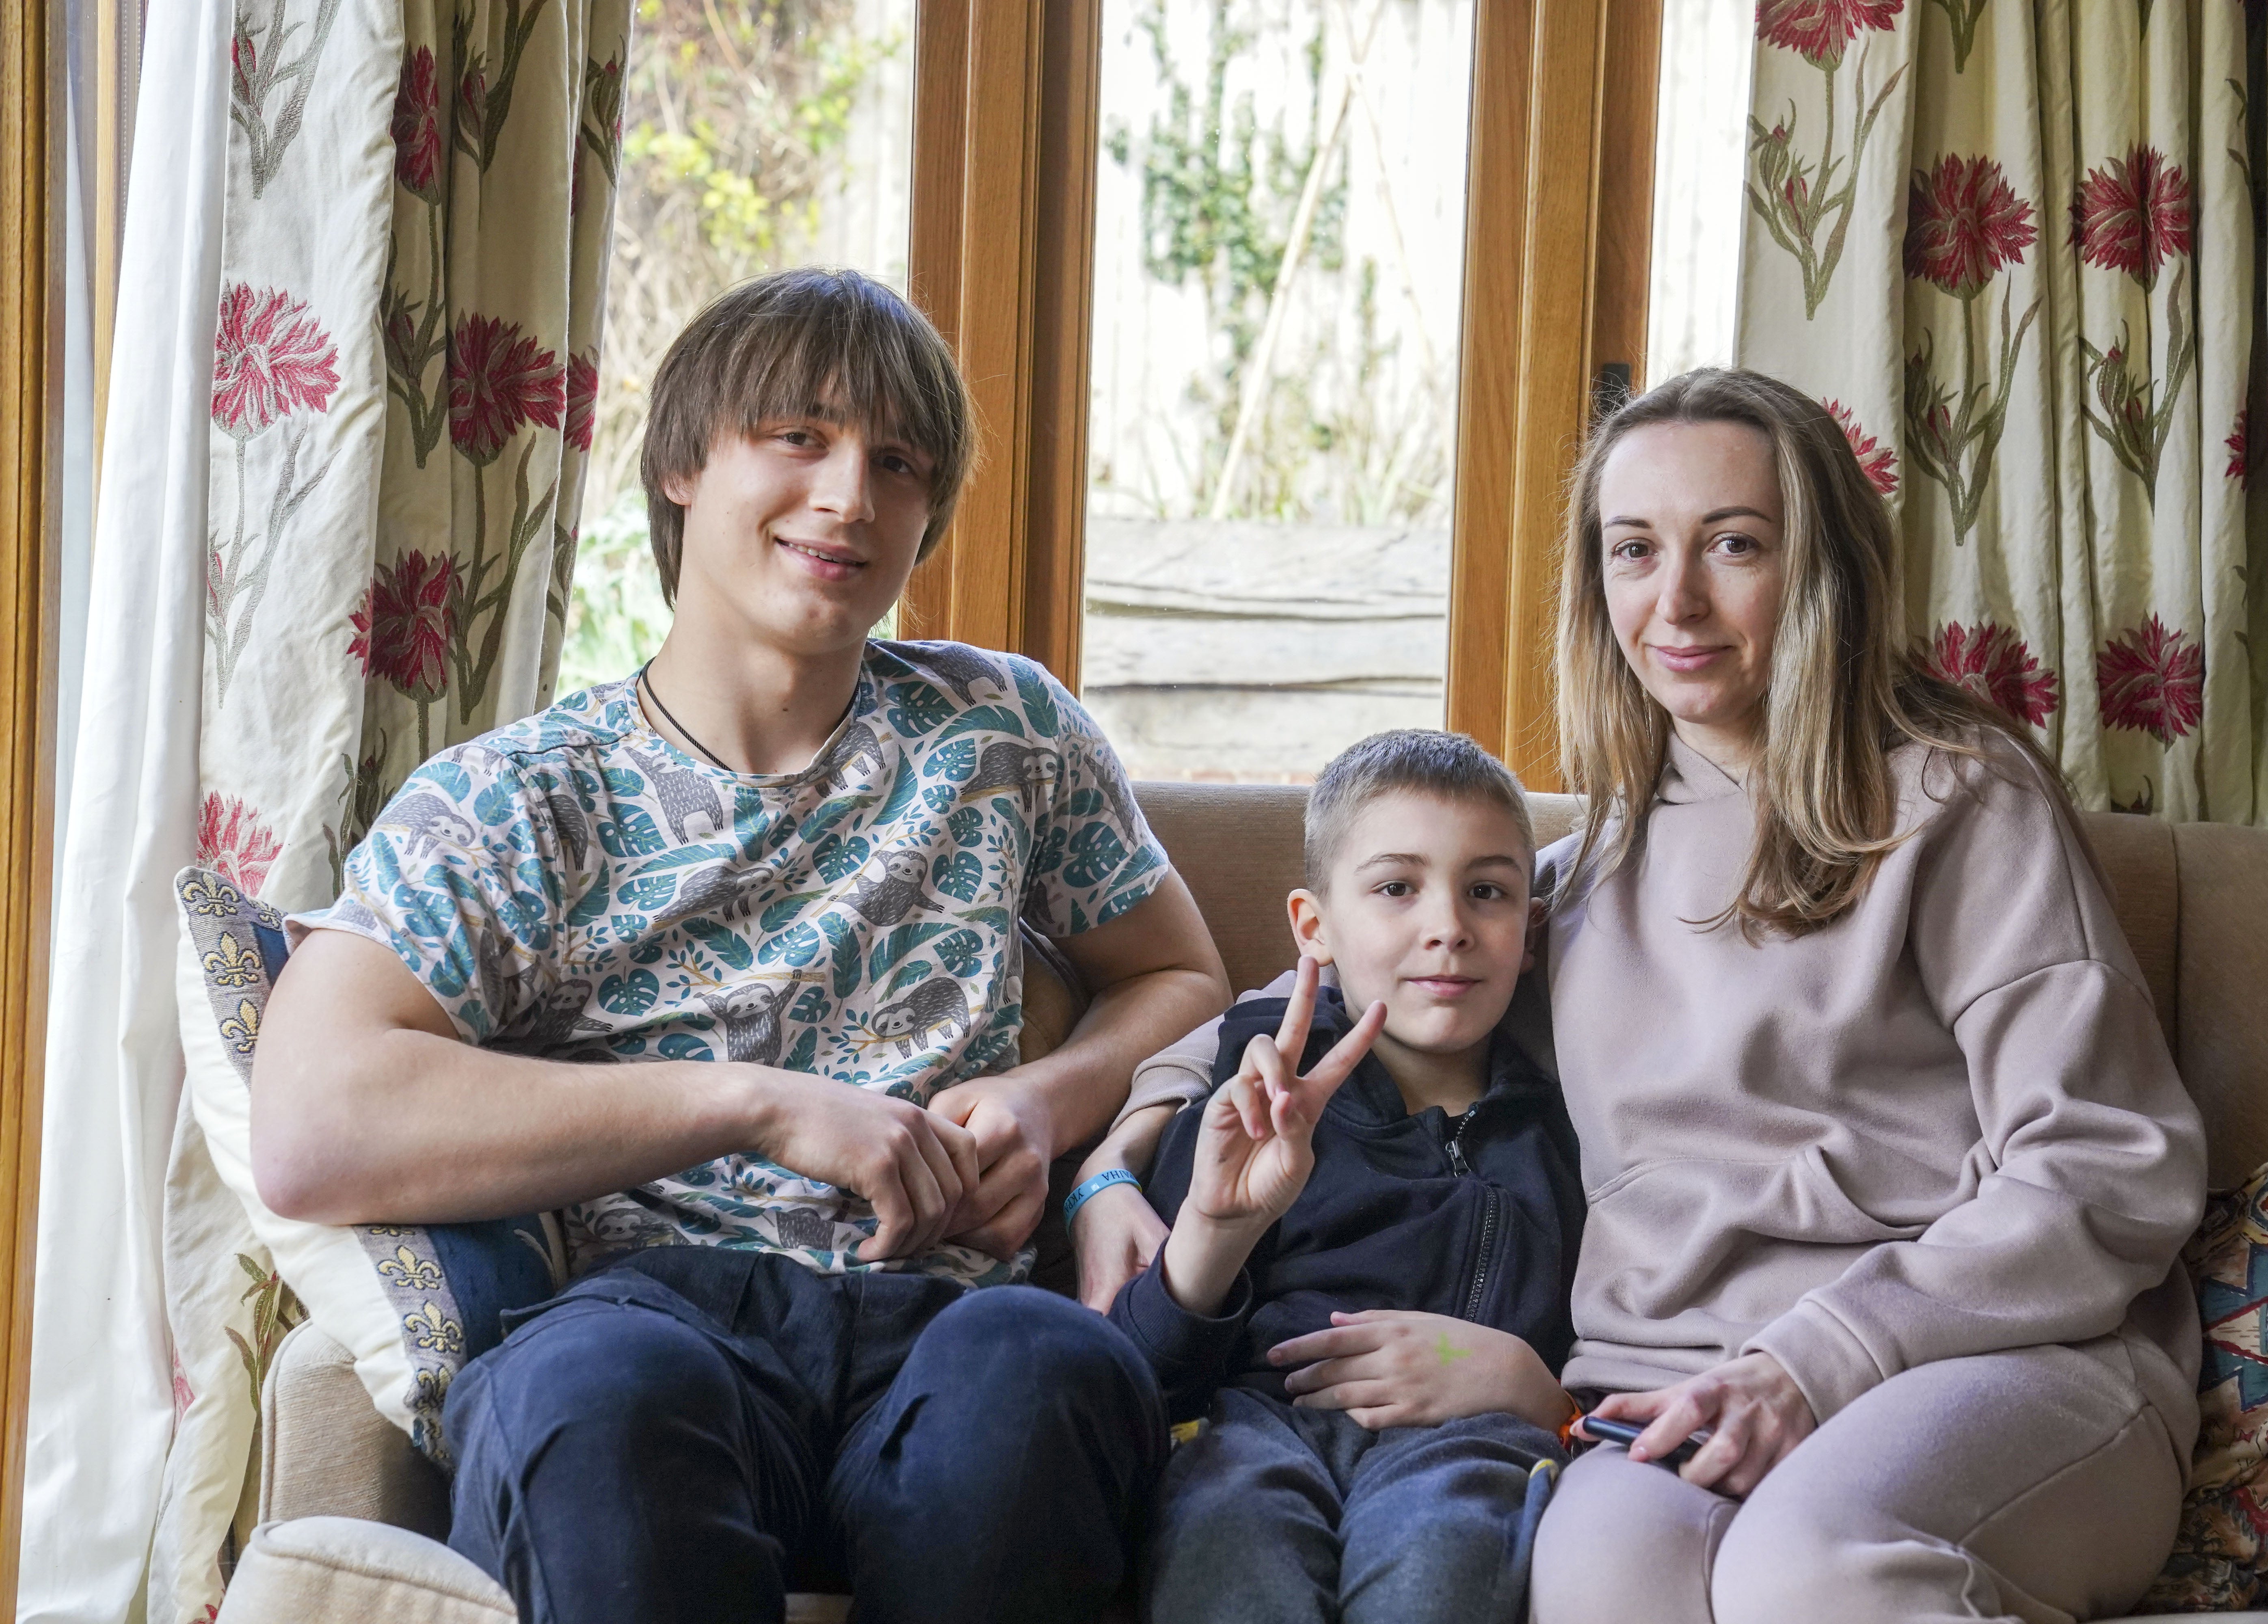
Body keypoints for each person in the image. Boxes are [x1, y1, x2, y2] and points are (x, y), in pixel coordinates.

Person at [250, 268, 1232, 1624]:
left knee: (1050, 1366)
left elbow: (1182, 977)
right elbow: (312, 1125)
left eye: (899, 463)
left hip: (948, 1326)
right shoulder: (523, 797)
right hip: (651, 1318)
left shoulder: (1006, 729)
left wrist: (1045, 1099)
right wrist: (760, 1106)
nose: (850, 497)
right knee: (585, 1396)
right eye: (799, 438)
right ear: (681, 467)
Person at [1525, 368, 2207, 1623]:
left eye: (1734, 544)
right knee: (1603, 1587)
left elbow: (2108, 1163)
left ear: (1822, 566)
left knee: (1810, 1568)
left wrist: (1816, 1360)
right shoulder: (1574, 877)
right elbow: (1322, 1010)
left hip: (2003, 1357)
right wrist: (1146, 1136)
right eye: (1635, 550)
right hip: (1675, 1379)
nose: (1675, 601)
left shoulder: (1959, 800)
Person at [1100, 730, 1583, 1624]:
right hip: (1250, 1432)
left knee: (1441, 1557)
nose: (1448, 926)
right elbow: (1140, 1375)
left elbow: (1605, 1376)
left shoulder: (1573, 1128)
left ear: (1531, 931)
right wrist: (1216, 1228)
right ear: (1314, 926)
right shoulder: (1252, 1097)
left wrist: (1539, 1394)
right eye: (1398, 888)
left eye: (1487, 891)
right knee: (1229, 1546)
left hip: (1473, 1444)